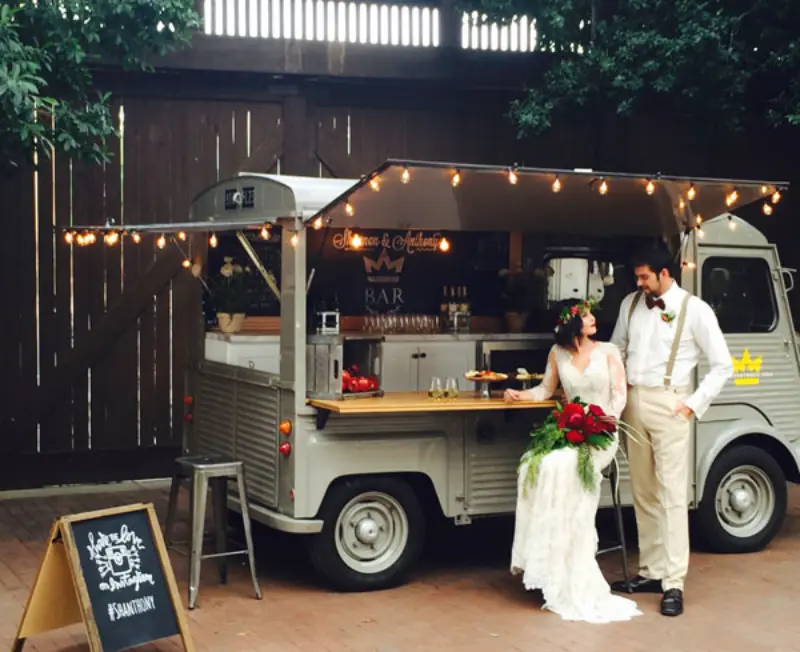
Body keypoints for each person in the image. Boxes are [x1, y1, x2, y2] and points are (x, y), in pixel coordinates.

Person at [609, 246, 733, 617]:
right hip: (633, 403)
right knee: (644, 492)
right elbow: (615, 350)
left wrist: (692, 404)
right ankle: (651, 570)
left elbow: (723, 365)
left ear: (665, 273)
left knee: (673, 496)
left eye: (645, 276)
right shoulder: (631, 304)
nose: (639, 283)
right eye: (637, 277)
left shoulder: (696, 309)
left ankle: (673, 582)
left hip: (671, 404)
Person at [504, 298, 642, 624]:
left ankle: (574, 564)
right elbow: (544, 389)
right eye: (586, 315)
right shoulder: (557, 353)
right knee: (534, 466)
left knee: (564, 468)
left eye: (591, 313)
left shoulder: (608, 351)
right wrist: (519, 394)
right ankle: (553, 563)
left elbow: (620, 395)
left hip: (602, 432)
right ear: (571, 323)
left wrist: (604, 421)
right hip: (569, 428)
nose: (593, 318)